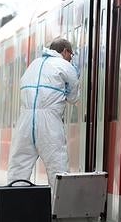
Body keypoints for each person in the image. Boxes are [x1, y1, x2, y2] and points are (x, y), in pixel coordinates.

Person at [7, 38, 80, 194]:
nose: (71, 58)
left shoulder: (33, 64)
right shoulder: (66, 66)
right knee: (57, 168)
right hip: (49, 121)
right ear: (65, 51)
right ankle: (58, 212)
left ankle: (14, 208)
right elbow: (74, 98)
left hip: (25, 120)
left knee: (19, 166)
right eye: (71, 54)